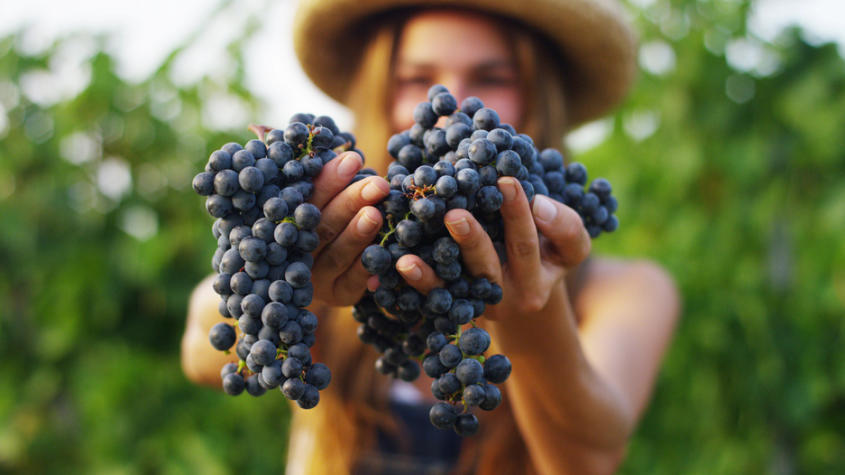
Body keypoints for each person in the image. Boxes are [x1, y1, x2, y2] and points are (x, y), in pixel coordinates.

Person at [181, 0, 680, 473]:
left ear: (540, 96)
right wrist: (306, 281)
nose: (449, 105)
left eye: (493, 77)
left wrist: (534, 310)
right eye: (415, 78)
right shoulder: (351, 240)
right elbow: (203, 348)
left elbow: (588, 463)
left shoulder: (626, 290)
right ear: (377, 90)